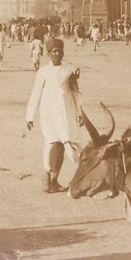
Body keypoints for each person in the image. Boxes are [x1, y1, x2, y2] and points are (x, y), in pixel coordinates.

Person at [24, 37, 84, 193]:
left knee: (66, 146)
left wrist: (80, 113)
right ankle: (46, 179)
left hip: (66, 113)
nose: (57, 54)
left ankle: (55, 180)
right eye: (54, 52)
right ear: (49, 54)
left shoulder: (70, 69)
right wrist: (29, 116)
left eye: (59, 51)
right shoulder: (43, 72)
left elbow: (76, 93)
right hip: (48, 114)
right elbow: (35, 93)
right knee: (52, 145)